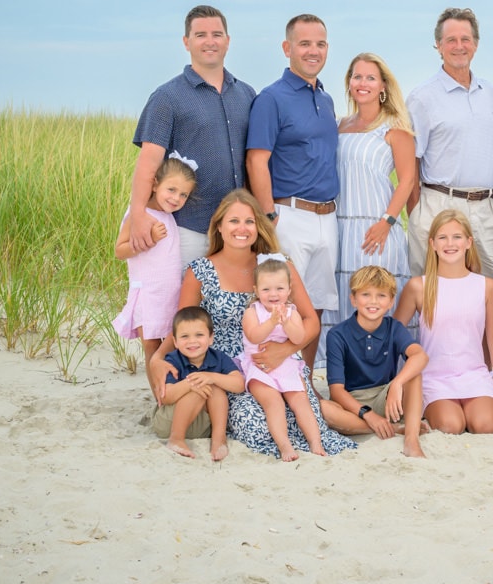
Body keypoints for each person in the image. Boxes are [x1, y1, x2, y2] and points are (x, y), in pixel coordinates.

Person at [148, 190, 355, 459]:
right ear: (219, 226)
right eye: (234, 221)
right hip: (230, 370)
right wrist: (158, 357)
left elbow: (311, 321)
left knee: (307, 416)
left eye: (249, 222)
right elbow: (183, 324)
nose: (242, 229)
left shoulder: (278, 266)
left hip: (280, 364)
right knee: (256, 425)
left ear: (258, 227)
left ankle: (379, 425)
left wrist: (284, 351)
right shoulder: (199, 270)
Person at [130, 5, 256, 269]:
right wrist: (138, 215)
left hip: (235, 231)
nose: (210, 42)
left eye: (217, 34)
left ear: (228, 41)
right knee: (183, 307)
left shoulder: (246, 94)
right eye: (200, 35)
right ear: (186, 42)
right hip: (188, 228)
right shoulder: (167, 97)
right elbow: (148, 162)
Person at [246, 14, 339, 373]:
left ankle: (303, 380)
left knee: (314, 304)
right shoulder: (272, 98)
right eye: (304, 43)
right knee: (280, 302)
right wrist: (269, 217)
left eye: (320, 44)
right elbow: (257, 161)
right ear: (287, 48)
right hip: (288, 215)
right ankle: (272, 376)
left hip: (327, 217)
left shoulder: (326, 99)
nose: (313, 51)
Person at [406, 7, 493, 292]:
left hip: (486, 206)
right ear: (438, 45)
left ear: (475, 44)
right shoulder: (422, 97)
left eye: (465, 39)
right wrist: (416, 213)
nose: (459, 46)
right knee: (433, 292)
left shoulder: (488, 92)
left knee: (490, 291)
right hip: (439, 204)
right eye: (451, 40)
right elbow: (411, 161)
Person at [394, 209, 493, 434]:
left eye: (457, 237)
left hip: (474, 374)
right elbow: (393, 333)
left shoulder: (486, 286)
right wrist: (401, 381)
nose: (450, 243)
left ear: (468, 242)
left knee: (485, 425)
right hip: (434, 376)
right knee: (451, 425)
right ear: (432, 244)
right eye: (442, 237)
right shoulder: (419, 286)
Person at [329, 53, 415, 328]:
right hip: (340, 227)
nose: (362, 83)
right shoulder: (339, 126)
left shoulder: (395, 128)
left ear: (383, 86)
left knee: (377, 298)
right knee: (345, 299)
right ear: (349, 83)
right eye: (357, 76)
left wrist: (387, 222)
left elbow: (408, 180)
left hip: (376, 229)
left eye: (370, 77)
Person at [321, 266, 429, 458]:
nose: (373, 301)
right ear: (353, 299)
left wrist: (397, 383)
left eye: (381, 295)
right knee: (323, 409)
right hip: (352, 403)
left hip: (385, 397)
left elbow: (420, 355)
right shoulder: (337, 335)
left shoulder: (394, 328)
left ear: (391, 302)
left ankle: (411, 440)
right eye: (365, 294)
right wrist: (369, 415)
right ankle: (393, 428)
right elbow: (336, 391)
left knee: (413, 374)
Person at [113, 156, 197, 370]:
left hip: (170, 293)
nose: (176, 198)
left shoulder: (169, 216)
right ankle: (159, 399)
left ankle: (168, 392)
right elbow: (119, 251)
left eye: (183, 195)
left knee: (170, 346)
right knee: (151, 346)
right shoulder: (139, 215)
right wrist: (148, 239)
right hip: (148, 293)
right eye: (171, 190)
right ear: (155, 184)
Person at [240, 258, 327, 461]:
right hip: (258, 366)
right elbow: (254, 336)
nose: (273, 294)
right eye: (266, 289)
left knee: (300, 401)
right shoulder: (252, 312)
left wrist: (286, 322)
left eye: (279, 288)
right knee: (274, 402)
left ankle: (315, 442)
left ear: (289, 290)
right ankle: (285, 446)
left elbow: (298, 338)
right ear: (256, 290)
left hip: (286, 364)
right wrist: (271, 322)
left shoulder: (292, 312)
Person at [151, 306, 244, 461]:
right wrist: (190, 384)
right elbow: (166, 397)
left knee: (214, 388)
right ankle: (176, 439)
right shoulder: (172, 360)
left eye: (199, 335)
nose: (192, 341)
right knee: (197, 388)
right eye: (184, 336)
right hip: (170, 422)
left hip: (201, 425)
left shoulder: (218, 358)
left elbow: (239, 384)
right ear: (175, 341)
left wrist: (211, 376)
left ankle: (218, 439)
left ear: (210, 338)